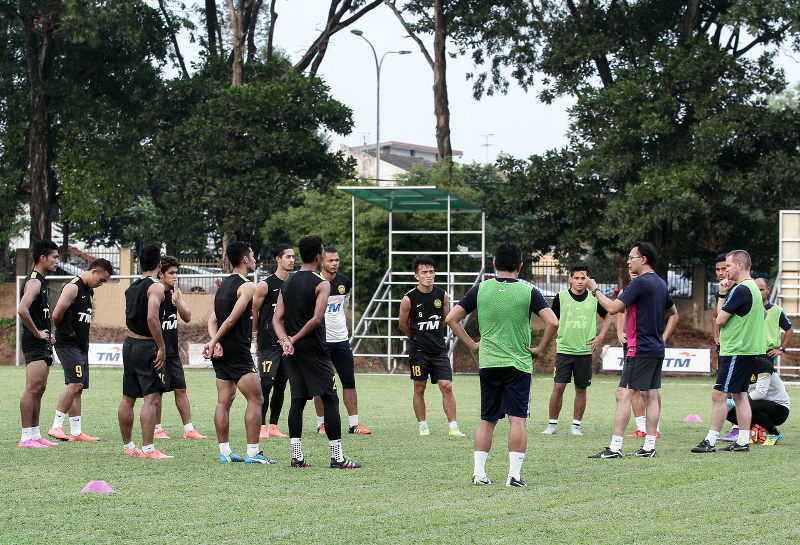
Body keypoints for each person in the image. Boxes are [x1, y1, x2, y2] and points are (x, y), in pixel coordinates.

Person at [446, 241, 558, 487]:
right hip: (517, 364)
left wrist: (473, 344)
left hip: (489, 364)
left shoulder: (481, 289)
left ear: (494, 264)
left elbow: (451, 318)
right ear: (520, 266)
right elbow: (553, 322)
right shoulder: (529, 291)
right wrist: (539, 349)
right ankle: (514, 476)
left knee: (488, 419)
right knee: (517, 419)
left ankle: (479, 473)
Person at [272, 235, 361, 469]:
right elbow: (316, 319)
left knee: (298, 401)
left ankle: (297, 456)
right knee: (331, 398)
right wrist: (294, 338)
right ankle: (337, 457)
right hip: (315, 350)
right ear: (318, 256)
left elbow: (276, 318)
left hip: (292, 353)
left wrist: (285, 341)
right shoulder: (322, 283)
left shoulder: (287, 283)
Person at [587, 242, 677, 458]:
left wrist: (595, 289)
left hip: (640, 349)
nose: (628, 261)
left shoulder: (641, 282)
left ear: (643, 259)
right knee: (651, 395)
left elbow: (612, 308)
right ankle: (648, 447)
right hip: (655, 348)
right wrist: (662, 338)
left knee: (623, 394)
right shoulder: (660, 283)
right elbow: (673, 312)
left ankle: (615, 447)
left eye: (631, 257)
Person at [204, 241, 274, 464]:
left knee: (224, 401)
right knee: (256, 398)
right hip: (236, 350)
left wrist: (215, 342)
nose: (254, 259)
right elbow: (232, 318)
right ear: (245, 259)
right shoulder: (247, 286)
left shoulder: (223, 286)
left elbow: (212, 320)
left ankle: (225, 452)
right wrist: (215, 341)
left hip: (222, 350)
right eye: (252, 255)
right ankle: (253, 453)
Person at [692, 249, 765, 454]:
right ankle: (742, 441)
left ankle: (710, 441)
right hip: (746, 349)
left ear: (740, 266)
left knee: (718, 395)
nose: (725, 271)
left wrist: (723, 294)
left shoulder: (741, 289)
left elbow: (719, 319)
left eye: (729, 266)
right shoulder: (752, 288)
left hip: (737, 349)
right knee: (740, 395)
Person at [398, 257, 465, 438]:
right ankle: (423, 425)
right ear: (416, 276)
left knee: (447, 386)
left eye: (431, 272)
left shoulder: (442, 295)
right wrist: (417, 338)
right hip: (419, 351)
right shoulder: (408, 298)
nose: (429, 276)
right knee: (419, 388)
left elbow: (446, 320)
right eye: (424, 273)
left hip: (438, 350)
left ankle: (453, 427)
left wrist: (433, 336)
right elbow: (402, 324)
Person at [47, 259, 113, 442]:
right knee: (75, 383)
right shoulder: (72, 287)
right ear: (93, 271)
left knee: (79, 387)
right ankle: (56, 426)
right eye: (102, 279)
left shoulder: (88, 291)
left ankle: (76, 432)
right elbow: (57, 314)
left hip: (81, 345)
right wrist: (64, 332)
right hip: (68, 344)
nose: (102, 284)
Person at [541, 264, 610, 436]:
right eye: (577, 278)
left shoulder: (594, 298)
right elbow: (552, 320)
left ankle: (576, 426)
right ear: (570, 279)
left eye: (583, 278)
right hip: (564, 351)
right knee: (558, 387)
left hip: (584, 352)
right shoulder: (561, 297)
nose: (580, 281)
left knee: (581, 389)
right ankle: (552, 425)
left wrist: (600, 336)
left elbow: (608, 315)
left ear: (588, 280)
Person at [118, 244, 171, 459]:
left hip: (129, 344)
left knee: (128, 397)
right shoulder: (156, 286)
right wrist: (161, 346)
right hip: (146, 346)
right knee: (152, 397)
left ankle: (129, 445)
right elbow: (152, 318)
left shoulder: (132, 287)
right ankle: (149, 449)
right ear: (159, 264)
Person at [312, 246, 371, 435]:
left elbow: (343, 307)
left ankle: (354, 424)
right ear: (321, 261)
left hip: (341, 340)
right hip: (321, 341)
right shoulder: (315, 282)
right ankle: (321, 424)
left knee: (349, 381)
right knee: (322, 384)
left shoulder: (344, 282)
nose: (334, 263)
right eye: (330, 260)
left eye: (337, 260)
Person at [616, 271, 677, 439]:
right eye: (629, 267)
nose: (631, 269)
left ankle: (650, 431)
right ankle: (643, 430)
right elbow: (619, 312)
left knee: (638, 392)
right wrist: (619, 331)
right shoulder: (628, 291)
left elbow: (673, 313)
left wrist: (663, 337)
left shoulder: (653, 288)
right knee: (639, 391)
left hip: (642, 346)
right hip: (636, 344)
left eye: (632, 261)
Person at [152, 256, 207, 440]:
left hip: (173, 352)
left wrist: (178, 301)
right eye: (172, 273)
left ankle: (189, 429)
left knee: (180, 388)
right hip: (157, 351)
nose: (176, 276)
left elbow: (188, 317)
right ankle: (157, 429)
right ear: (161, 274)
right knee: (157, 391)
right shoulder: (155, 293)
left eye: (177, 273)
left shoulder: (175, 293)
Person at [18, 239, 60, 448]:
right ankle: (26, 437)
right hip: (34, 343)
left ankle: (35, 435)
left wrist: (48, 333)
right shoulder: (34, 281)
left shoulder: (42, 281)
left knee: (40, 388)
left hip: (42, 342)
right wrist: (37, 333)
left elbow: (37, 313)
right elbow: (22, 309)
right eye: (54, 257)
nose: (57, 261)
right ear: (42, 258)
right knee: (32, 388)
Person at [252, 243, 293, 439]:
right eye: (287, 257)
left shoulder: (294, 284)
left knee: (282, 384)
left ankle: (274, 425)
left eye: (293, 257)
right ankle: (260, 425)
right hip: (268, 342)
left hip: (287, 342)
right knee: (266, 382)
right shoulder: (265, 285)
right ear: (278, 259)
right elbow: (255, 311)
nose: (292, 260)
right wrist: (255, 336)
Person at [756, 277, 792, 363]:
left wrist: (781, 348)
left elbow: (789, 330)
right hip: (748, 352)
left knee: (765, 376)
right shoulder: (747, 309)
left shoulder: (777, 310)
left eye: (761, 290)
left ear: (768, 290)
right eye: (755, 290)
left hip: (767, 353)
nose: (758, 293)